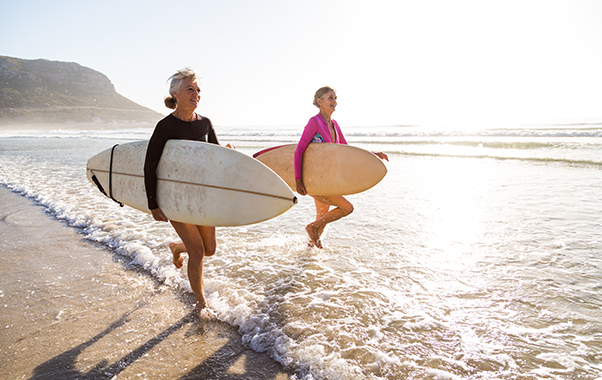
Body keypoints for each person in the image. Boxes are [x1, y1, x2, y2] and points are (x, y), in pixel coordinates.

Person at [144, 68, 232, 313]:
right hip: (176, 198)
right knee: (197, 251)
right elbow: (150, 166)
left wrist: (227, 152)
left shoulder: (205, 123)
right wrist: (153, 203)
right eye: (190, 89)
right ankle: (201, 302)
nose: (196, 94)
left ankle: (176, 247)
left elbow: (215, 156)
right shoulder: (165, 126)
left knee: (209, 250)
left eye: (198, 90)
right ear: (176, 93)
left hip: (202, 196)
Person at [294, 86, 388, 249]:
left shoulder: (335, 124)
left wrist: (372, 154)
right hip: (318, 180)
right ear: (319, 101)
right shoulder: (314, 122)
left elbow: (347, 149)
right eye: (330, 98)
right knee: (346, 208)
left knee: (322, 217)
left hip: (330, 179)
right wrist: (298, 180)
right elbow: (299, 150)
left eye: (335, 98)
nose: (334, 101)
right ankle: (311, 228)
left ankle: (307, 254)